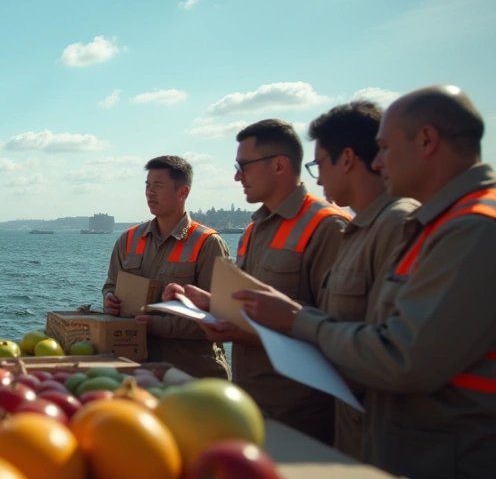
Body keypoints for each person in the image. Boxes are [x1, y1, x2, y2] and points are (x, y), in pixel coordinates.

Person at [235, 86, 496, 479]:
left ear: (427, 140)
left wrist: (297, 320)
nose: (379, 160)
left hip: (441, 457)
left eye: (386, 147)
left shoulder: (474, 228)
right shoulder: (433, 224)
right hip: (396, 447)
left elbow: (402, 358)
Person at [208, 119, 350, 444]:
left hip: (303, 418)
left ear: (279, 165)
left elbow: (340, 334)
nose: (236, 176)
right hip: (251, 406)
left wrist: (248, 332)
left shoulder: (329, 227)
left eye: (243, 165)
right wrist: (211, 307)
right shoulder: (254, 229)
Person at [301, 101, 420, 458]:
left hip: (387, 443)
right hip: (353, 432)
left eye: (318, 164)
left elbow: (394, 351)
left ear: (348, 159)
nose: (317, 178)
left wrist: (293, 319)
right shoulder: (358, 228)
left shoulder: (398, 226)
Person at [99, 156, 231, 379]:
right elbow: (110, 285)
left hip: (193, 374)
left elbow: (220, 319)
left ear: (183, 192)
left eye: (158, 186)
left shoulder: (207, 244)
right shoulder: (128, 239)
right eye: (147, 185)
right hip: (137, 371)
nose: (150, 192)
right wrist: (109, 299)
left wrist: (156, 326)